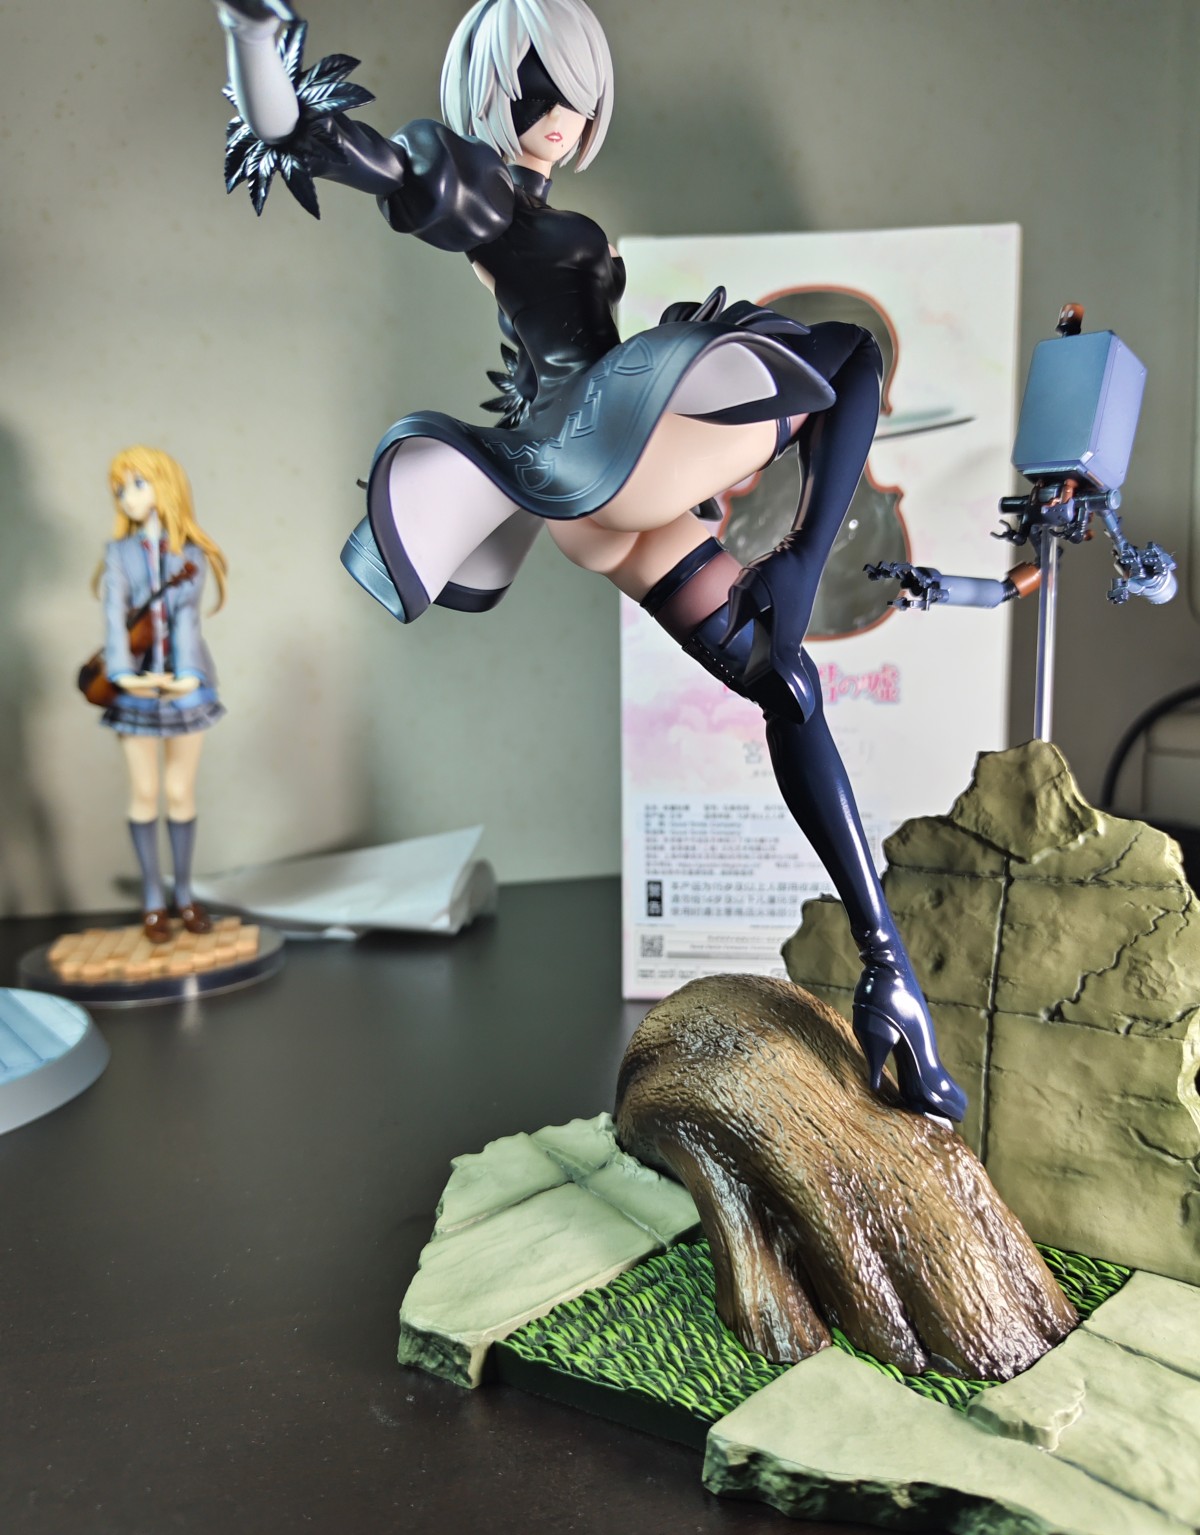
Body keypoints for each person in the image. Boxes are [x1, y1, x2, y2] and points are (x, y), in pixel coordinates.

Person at [211, 0, 967, 1120]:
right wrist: (251, 38)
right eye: (540, 90)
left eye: (577, 96)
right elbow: (319, 142)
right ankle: (802, 573)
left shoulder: (520, 200)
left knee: (787, 684)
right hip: (599, 451)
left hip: (606, 503)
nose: (561, 116)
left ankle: (887, 975)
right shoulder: (472, 184)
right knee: (847, 356)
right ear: (493, 86)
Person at [95, 447, 227, 942]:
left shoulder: (190, 553)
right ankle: (153, 899)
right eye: (120, 489)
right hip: (136, 684)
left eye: (137, 484)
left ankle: (184, 894)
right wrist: (122, 673)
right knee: (145, 793)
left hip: (183, 684)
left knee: (179, 793)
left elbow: (188, 620)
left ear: (163, 485)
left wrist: (188, 674)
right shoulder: (119, 554)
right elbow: (114, 616)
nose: (128, 497)